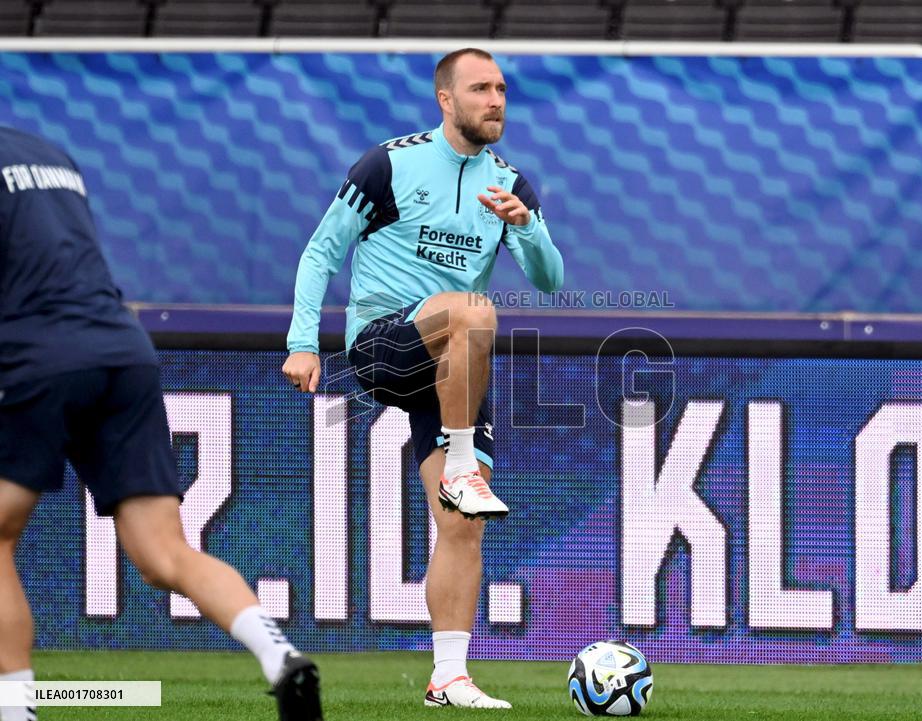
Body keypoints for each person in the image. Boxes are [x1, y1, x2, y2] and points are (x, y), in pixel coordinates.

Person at [0, 126, 322, 721]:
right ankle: (279, 656)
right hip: (124, 350)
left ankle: (14, 709)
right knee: (165, 553)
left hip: (38, 355)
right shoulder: (50, 153)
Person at [283, 48, 564, 709]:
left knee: (463, 523)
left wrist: (524, 229)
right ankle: (462, 463)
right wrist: (302, 342)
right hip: (385, 346)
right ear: (446, 99)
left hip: (452, 370)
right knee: (475, 309)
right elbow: (322, 249)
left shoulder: (512, 186)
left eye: (501, 88)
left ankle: (449, 676)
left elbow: (550, 279)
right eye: (480, 88)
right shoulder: (388, 164)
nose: (496, 99)